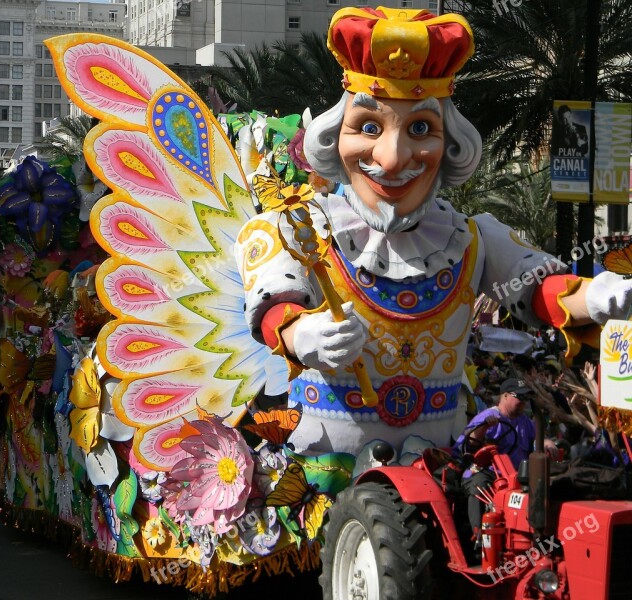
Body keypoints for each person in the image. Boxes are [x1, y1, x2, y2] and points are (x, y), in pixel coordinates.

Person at [234, 6, 632, 461]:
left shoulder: (472, 238)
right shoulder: (297, 228)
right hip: (326, 476)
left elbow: (536, 287)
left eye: (420, 128)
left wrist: (595, 298)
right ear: (335, 134)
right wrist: (301, 334)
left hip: (441, 476)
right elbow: (272, 308)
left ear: (449, 144)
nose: (392, 158)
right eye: (368, 126)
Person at [452, 378, 557, 553]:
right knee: (479, 486)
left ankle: (542, 537)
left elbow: (536, 438)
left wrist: (548, 443)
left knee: (546, 487)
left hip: (516, 476)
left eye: (525, 399)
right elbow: (468, 445)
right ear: (505, 396)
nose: (523, 402)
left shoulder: (524, 421)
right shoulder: (488, 417)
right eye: (519, 398)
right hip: (489, 471)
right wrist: (484, 429)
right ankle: (479, 537)